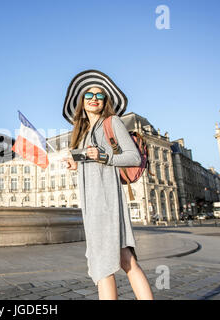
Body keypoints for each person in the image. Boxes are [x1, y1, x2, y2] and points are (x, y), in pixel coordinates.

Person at [61, 70, 154, 300]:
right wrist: (77, 165)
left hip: (107, 202)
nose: (94, 98)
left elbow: (133, 157)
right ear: (81, 102)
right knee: (123, 259)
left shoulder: (112, 122)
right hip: (91, 204)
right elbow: (92, 164)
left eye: (99, 95)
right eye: (89, 95)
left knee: (110, 262)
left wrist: (103, 157)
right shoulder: (82, 134)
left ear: (105, 102)